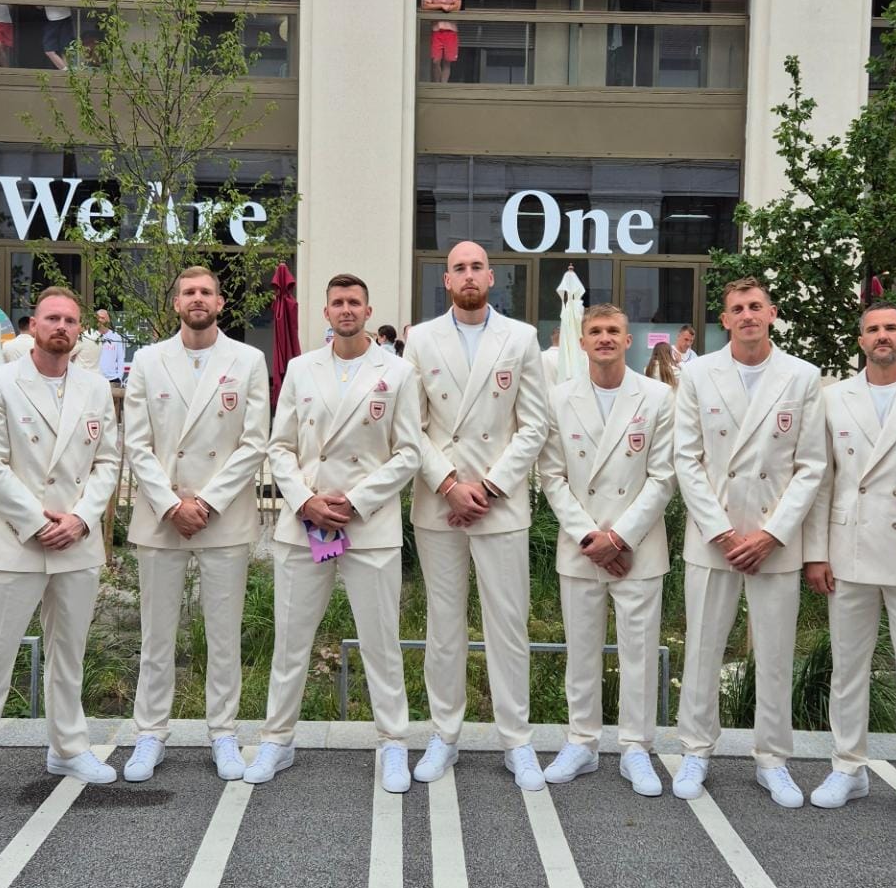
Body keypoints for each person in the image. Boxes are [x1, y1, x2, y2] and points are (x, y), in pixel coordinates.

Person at [244, 274, 422, 795]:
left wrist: (357, 500)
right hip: (307, 524)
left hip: (368, 523)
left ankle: (392, 742)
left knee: (381, 642)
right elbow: (279, 448)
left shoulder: (398, 371)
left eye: (354, 303)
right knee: (291, 639)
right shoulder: (301, 369)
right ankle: (277, 737)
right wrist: (307, 501)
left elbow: (408, 452)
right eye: (337, 302)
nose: (346, 310)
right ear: (326, 312)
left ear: (368, 311)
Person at [0, 287, 122, 812]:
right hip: (13, 540)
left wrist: (80, 518)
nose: (63, 327)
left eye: (71, 320)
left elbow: (108, 463)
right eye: (53, 318)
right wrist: (34, 520)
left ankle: (68, 748)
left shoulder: (94, 387)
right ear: (32, 325)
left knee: (68, 656)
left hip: (75, 540)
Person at [671, 276, 826, 808]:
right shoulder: (698, 375)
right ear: (726, 320)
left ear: (773, 313)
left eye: (756, 306)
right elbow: (685, 459)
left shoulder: (803, 376)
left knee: (777, 652)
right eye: (738, 308)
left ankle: (773, 759)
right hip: (713, 536)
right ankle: (695, 749)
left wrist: (771, 533)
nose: (748, 315)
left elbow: (811, 465)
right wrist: (718, 529)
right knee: (702, 649)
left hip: (772, 539)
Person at [802, 303, 896, 825]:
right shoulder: (833, 399)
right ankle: (848, 765)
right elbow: (821, 480)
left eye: (891, 328)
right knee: (848, 668)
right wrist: (815, 552)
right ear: (861, 340)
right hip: (849, 548)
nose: (882, 336)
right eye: (873, 329)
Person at [404, 241, 550, 789]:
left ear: (492, 276)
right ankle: (445, 734)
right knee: (444, 626)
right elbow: (409, 425)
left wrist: (486, 486)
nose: (468, 276)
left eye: (476, 268)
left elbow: (534, 424)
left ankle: (517, 739)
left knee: (508, 623)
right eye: (459, 268)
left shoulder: (522, 337)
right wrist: (448, 483)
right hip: (440, 500)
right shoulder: (419, 339)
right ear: (446, 280)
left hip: (498, 501)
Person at [122, 267, 269, 783]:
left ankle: (224, 732)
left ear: (221, 302)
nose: (198, 299)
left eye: (206, 291)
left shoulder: (248, 360)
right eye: (189, 292)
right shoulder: (147, 360)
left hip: (222, 516)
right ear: (176, 303)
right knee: (156, 634)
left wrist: (206, 501)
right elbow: (135, 442)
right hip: (162, 517)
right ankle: (149, 733)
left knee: (223, 634)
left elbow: (254, 442)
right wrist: (170, 504)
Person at [537, 304, 676, 796]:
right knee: (581, 649)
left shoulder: (658, 397)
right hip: (581, 545)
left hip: (637, 547)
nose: (604, 338)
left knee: (639, 652)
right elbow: (550, 475)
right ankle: (582, 740)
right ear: (581, 340)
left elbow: (664, 476)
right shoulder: (558, 398)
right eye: (595, 331)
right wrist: (589, 537)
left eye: (614, 330)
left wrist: (619, 538)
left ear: (628, 339)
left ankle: (636, 747)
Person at [422, 0, 463, 84]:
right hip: (437, 30)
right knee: (436, 61)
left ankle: (443, 86)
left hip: (451, 30)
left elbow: (458, 6)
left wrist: (448, 7)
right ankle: (437, 85)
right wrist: (441, 6)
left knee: (447, 61)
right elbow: (425, 5)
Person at [38, 0, 76, 71]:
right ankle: (65, 71)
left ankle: (69, 76)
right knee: (49, 50)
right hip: (51, 21)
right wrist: (46, 0)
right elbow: (38, 6)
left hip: (65, 20)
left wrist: (65, 0)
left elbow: (76, 4)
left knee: (66, 49)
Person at [94, 308, 126, 384]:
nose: (100, 320)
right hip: (95, 378)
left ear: (108, 320)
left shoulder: (116, 337)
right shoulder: (92, 336)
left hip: (113, 379)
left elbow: (120, 358)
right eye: (98, 318)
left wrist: (119, 377)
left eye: (102, 318)